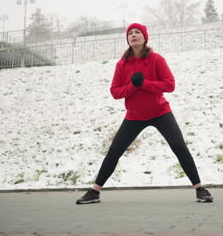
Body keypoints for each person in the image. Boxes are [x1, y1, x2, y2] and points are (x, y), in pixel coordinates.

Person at [76, 23, 213, 204]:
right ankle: (94, 192)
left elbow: (170, 85)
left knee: (179, 145)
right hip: (134, 116)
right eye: (130, 33)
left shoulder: (156, 59)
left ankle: (199, 189)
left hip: (160, 112)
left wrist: (145, 83)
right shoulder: (122, 64)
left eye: (137, 32)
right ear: (127, 39)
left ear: (144, 37)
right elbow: (115, 92)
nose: (133, 35)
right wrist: (133, 86)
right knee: (114, 151)